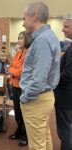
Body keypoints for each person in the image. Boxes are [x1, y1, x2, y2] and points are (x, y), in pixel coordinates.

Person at [19, 2, 61, 150]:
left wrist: (25, 98)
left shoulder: (42, 40)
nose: (23, 24)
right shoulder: (48, 36)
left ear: (34, 16)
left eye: (24, 19)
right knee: (44, 137)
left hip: (36, 99)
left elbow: (38, 79)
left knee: (37, 145)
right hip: (44, 97)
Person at [8, 31, 32, 146]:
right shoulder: (18, 53)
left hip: (23, 87)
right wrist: (13, 72)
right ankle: (18, 131)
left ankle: (24, 135)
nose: (19, 40)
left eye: (21, 38)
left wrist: (13, 72)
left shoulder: (29, 53)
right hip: (15, 86)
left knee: (24, 112)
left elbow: (21, 72)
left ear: (27, 39)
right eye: (18, 38)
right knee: (17, 111)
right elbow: (10, 67)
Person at [54, 12, 72, 150]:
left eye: (65, 26)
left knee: (64, 132)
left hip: (66, 98)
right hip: (67, 97)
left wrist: (51, 79)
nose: (62, 29)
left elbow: (67, 75)